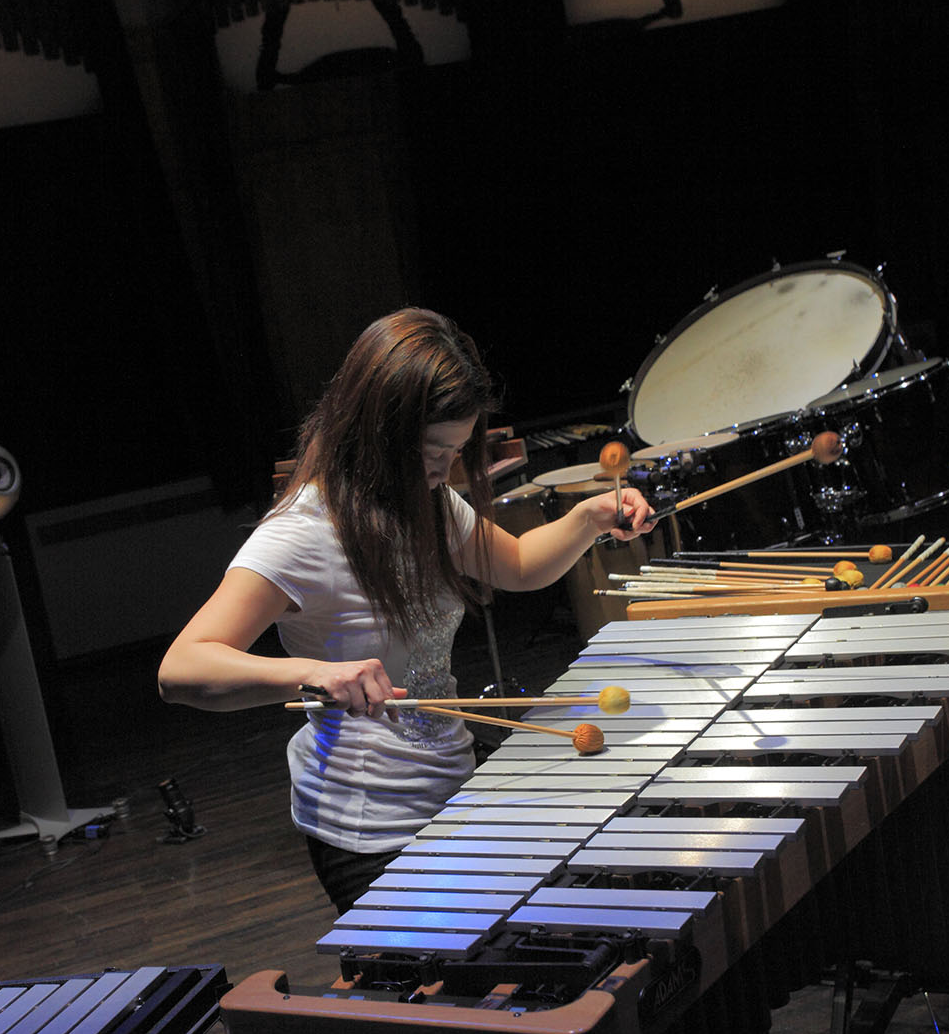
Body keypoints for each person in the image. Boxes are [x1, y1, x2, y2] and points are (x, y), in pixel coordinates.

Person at [158, 307, 654, 915]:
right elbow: (181, 669)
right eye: (431, 451)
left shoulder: (427, 502)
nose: (445, 471)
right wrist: (314, 673)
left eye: (456, 451)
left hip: (453, 788)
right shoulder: (303, 533)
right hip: (372, 828)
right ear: (374, 431)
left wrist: (587, 519)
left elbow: (521, 565)